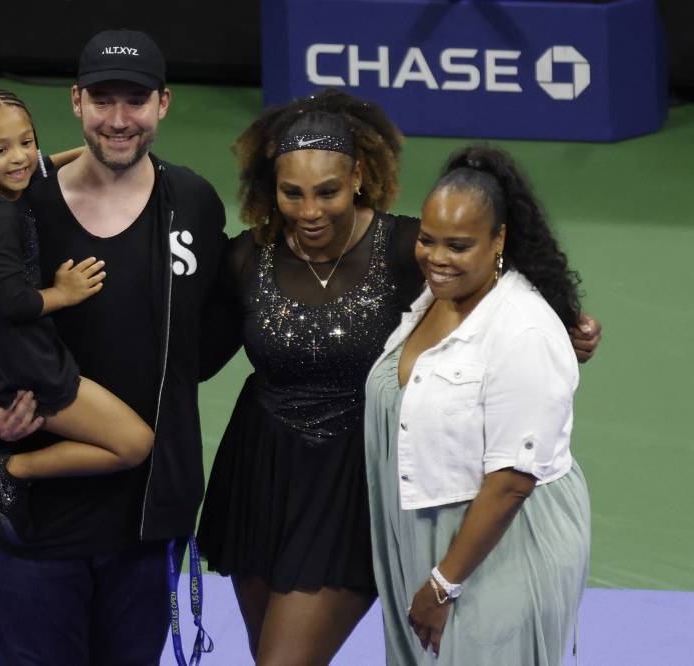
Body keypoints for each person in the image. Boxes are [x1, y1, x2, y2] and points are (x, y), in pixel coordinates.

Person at [195, 90, 601, 664]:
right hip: (258, 479)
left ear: (358, 176)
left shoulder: (410, 249)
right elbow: (196, 357)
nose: (309, 210)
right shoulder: (246, 259)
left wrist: (567, 325)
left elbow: (493, 283)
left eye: (327, 191)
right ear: (272, 188)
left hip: (351, 488)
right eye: (293, 193)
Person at [0, 31, 227, 665]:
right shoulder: (17, 203)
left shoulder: (192, 202)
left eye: (135, 101)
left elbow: (210, 341)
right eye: (102, 100)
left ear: (163, 104)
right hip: (28, 520)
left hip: (144, 515)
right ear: (76, 101)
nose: (118, 120)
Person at [363, 144, 591, 665]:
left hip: (499, 543)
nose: (437, 258)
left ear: (499, 241)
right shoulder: (432, 299)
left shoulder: (525, 329)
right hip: (433, 534)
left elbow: (512, 481)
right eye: (428, 239)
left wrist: (443, 583)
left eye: (459, 245)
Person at [0, 89, 154, 547]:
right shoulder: (2, 217)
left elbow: (41, 165)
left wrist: (104, 145)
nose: (21, 158)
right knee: (134, 444)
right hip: (18, 359)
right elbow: (14, 303)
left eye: (27, 142)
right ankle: (7, 471)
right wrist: (64, 293)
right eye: (1, 150)